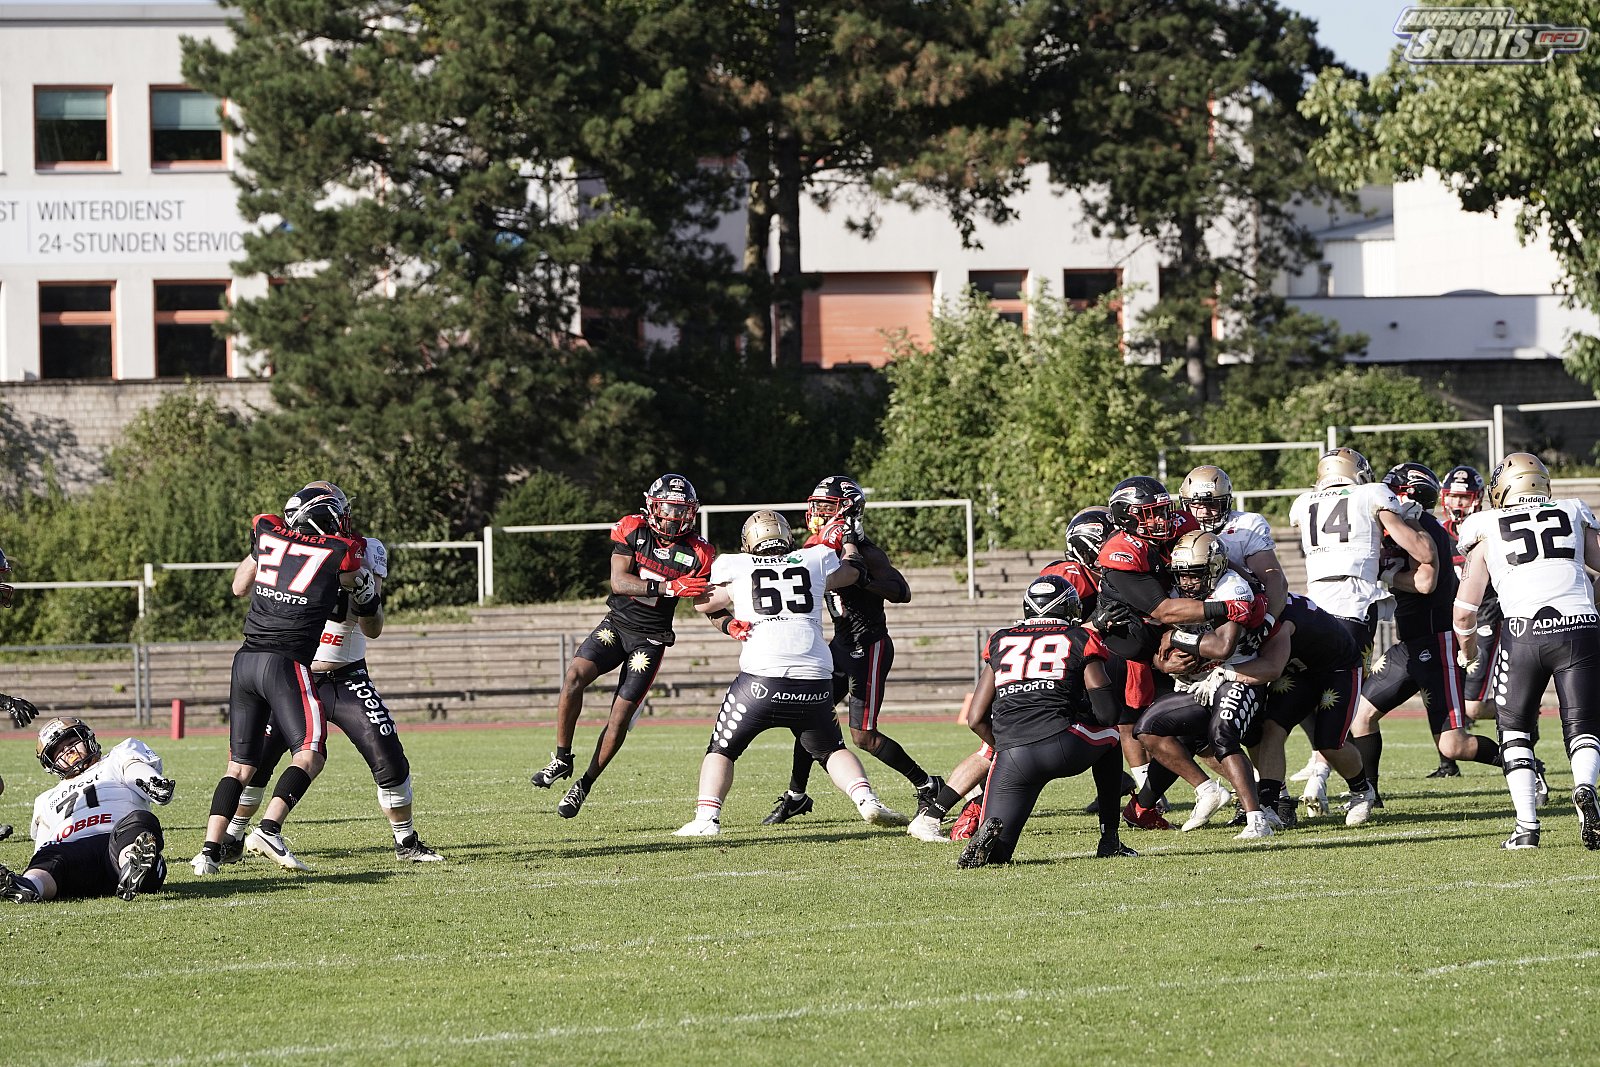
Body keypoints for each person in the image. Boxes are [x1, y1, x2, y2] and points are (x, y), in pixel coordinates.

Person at [218, 515, 443, 862]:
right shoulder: (283, 546)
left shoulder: (360, 551)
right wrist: (257, 549)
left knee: (386, 753)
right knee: (256, 761)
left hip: (344, 676)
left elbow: (372, 627)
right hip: (292, 673)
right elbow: (238, 586)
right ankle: (232, 838)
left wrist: (365, 595)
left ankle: (406, 841)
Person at [673, 510, 906, 836]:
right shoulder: (813, 559)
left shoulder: (736, 565)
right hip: (815, 678)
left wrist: (728, 619)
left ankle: (706, 818)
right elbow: (853, 572)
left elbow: (704, 603)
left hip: (760, 681)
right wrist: (850, 543)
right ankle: (867, 800)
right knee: (832, 749)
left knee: (722, 749)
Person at [192, 481, 367, 876]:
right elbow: (354, 586)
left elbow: (239, 586)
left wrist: (262, 551)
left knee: (239, 767)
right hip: (285, 663)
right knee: (311, 753)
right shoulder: (341, 550)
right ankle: (269, 829)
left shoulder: (268, 533)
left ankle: (208, 852)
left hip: (245, 661)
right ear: (324, 518)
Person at [529, 473, 716, 818]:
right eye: (667, 508)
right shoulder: (634, 529)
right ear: (653, 506)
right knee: (574, 677)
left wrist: (730, 623)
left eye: (680, 510)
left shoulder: (699, 552)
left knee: (619, 716)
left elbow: (706, 601)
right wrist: (668, 588)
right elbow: (619, 581)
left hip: (650, 639)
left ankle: (583, 785)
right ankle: (562, 757)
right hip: (616, 625)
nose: (673, 516)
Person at [763, 476, 940, 825]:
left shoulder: (867, 552)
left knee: (864, 736)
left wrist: (863, 579)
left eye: (825, 506)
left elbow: (902, 592)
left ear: (847, 510)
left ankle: (927, 784)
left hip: (868, 646)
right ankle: (796, 796)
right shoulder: (819, 548)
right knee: (810, 715)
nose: (817, 512)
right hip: (841, 645)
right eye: (816, 505)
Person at [1455, 453, 1600, 850]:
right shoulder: (1571, 512)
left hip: (1524, 632)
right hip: (1580, 626)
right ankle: (1585, 787)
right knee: (1583, 725)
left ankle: (1526, 828)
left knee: (1514, 729)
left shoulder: (1486, 526)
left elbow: (1464, 609)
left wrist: (1468, 649)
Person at [1342, 462, 1502, 810]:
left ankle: (1523, 765)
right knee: (1360, 716)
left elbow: (1425, 582)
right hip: (1410, 645)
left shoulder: (1422, 526)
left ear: (1408, 493)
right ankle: (1369, 795)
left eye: (1392, 491)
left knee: (1453, 746)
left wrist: (1384, 575)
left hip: (1438, 643)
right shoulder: (1406, 523)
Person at [956, 574, 1137, 867]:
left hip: (1011, 754)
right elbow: (1107, 714)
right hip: (1061, 743)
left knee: (998, 855)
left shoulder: (1001, 640)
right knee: (1112, 736)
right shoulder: (1080, 637)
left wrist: (1004, 746)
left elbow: (975, 718)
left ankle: (989, 844)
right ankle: (1110, 839)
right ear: (1069, 608)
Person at [1131, 530, 1275, 839]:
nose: (1188, 582)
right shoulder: (1173, 591)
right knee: (1147, 728)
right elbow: (1156, 649)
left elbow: (1222, 648)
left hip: (1235, 674)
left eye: (1195, 574)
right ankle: (1207, 790)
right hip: (1196, 684)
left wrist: (1175, 636)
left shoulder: (1232, 587)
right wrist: (1162, 663)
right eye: (1182, 574)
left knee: (1222, 736)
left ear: (1214, 568)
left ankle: (1257, 819)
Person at [0, 717, 173, 903]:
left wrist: (152, 782)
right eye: (59, 751)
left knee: (139, 821)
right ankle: (29, 885)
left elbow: (133, 769)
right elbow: (42, 848)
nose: (68, 751)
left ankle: (132, 864)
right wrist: (39, 864)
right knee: (49, 856)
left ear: (87, 738)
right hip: (74, 854)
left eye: (72, 742)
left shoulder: (115, 759)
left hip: (117, 839)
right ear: (52, 764)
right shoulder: (45, 799)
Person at [1437, 464, 1502, 763]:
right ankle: (1447, 763)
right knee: (1448, 698)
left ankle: (1522, 711)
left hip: (1485, 619)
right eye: (1453, 496)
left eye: (1464, 497)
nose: (1457, 503)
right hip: (1451, 624)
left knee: (1472, 706)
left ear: (1476, 499)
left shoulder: (1486, 529)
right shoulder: (1438, 533)